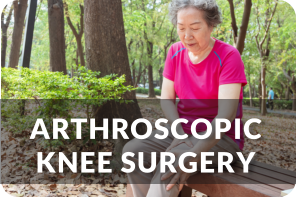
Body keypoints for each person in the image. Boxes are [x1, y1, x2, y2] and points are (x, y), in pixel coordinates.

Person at [123, 0, 247, 196]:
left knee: (173, 163)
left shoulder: (229, 56)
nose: (187, 36)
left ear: (211, 25)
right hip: (182, 131)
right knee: (133, 152)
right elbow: (166, 99)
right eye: (181, 28)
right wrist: (180, 134)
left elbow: (226, 116)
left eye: (195, 28)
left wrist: (193, 154)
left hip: (221, 139)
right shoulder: (175, 52)